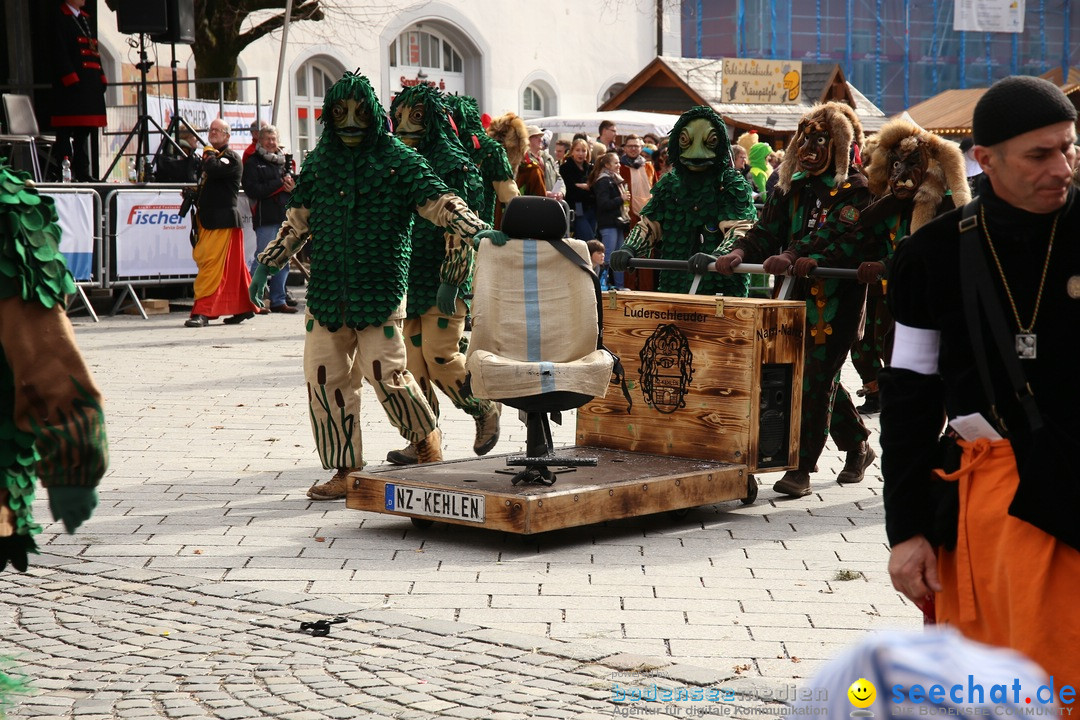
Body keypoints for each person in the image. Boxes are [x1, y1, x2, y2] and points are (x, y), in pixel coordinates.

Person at [881, 75, 1080, 685]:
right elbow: (909, 396)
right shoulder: (932, 255)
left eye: (1070, 147)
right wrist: (906, 530)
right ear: (985, 159)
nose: (1063, 167)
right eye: (1040, 154)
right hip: (992, 506)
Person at [249, 71, 500, 501]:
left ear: (372, 116)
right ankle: (345, 467)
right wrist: (267, 265)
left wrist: (474, 228)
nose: (350, 122)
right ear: (329, 116)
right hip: (327, 295)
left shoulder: (399, 160)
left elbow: (440, 201)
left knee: (387, 373)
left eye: (359, 113)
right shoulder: (321, 163)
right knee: (325, 379)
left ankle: (425, 439)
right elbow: (297, 222)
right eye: (341, 113)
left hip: (380, 291)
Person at [715, 102, 878, 498]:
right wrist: (740, 252)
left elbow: (845, 240)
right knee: (805, 375)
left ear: (839, 144)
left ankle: (802, 468)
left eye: (821, 140)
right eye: (805, 138)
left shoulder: (858, 190)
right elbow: (766, 232)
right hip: (791, 295)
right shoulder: (791, 186)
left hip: (838, 301)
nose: (809, 147)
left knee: (817, 379)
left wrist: (799, 255)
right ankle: (858, 444)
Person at [384, 84, 502, 467]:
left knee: (439, 354)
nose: (404, 127)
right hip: (409, 278)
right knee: (412, 367)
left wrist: (453, 278)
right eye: (399, 117)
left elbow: (462, 224)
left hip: (444, 278)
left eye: (414, 117)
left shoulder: (455, 164)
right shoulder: (398, 161)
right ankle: (423, 440)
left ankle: (483, 408)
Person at [0, 161, 108, 573]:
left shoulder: (7, 203)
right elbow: (41, 345)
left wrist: (72, 460)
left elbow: (41, 345)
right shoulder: (7, 200)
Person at [848, 118, 970, 415]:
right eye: (896, 165)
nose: (900, 175)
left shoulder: (944, 209)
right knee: (863, 348)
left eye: (911, 164)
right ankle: (879, 394)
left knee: (904, 360)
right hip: (877, 293)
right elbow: (858, 236)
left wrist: (887, 264)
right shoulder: (881, 205)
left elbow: (933, 253)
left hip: (921, 300)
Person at [610, 106, 757, 297]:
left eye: (711, 141)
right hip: (674, 285)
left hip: (720, 290)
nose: (696, 153)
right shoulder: (670, 184)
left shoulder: (731, 184)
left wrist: (718, 257)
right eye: (685, 141)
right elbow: (649, 225)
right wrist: (630, 247)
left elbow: (740, 229)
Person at [185, 119, 261, 328]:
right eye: (211, 130)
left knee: (210, 266)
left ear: (228, 136)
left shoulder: (231, 158)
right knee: (233, 269)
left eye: (218, 130)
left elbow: (214, 168)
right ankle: (244, 307)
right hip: (211, 221)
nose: (213, 133)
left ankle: (203, 312)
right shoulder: (211, 157)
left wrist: (207, 152)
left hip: (222, 222)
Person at [241, 125, 297, 314]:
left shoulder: (284, 161)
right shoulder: (253, 162)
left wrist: (292, 188)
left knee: (284, 259)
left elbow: (293, 189)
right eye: (267, 139)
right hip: (266, 218)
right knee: (262, 259)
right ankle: (251, 300)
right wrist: (280, 184)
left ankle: (278, 300)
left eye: (274, 139)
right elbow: (253, 190)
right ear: (260, 141)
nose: (271, 143)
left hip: (285, 217)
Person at [51, 0, 106, 182]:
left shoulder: (85, 19)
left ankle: (83, 172)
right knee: (65, 131)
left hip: (88, 82)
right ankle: (64, 170)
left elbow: (93, 50)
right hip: (71, 85)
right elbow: (59, 51)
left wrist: (101, 75)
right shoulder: (60, 17)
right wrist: (70, 78)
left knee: (84, 132)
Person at [444, 95, 519, 226]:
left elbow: (510, 197)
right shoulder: (492, 149)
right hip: (475, 233)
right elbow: (510, 197)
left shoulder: (440, 147)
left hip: (465, 230)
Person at [590, 151, 630, 290]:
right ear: (607, 165)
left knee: (619, 257)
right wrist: (621, 199)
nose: (619, 165)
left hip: (616, 223)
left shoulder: (614, 179)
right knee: (606, 258)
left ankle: (620, 286)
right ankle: (601, 285)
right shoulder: (603, 181)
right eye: (616, 163)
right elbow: (603, 204)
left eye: (619, 162)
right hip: (608, 224)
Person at [560, 138, 595, 239]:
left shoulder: (590, 168)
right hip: (576, 209)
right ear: (572, 152)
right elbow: (570, 188)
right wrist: (586, 187)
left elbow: (595, 187)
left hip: (591, 208)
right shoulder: (565, 168)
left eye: (583, 151)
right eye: (577, 150)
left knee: (591, 235)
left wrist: (583, 186)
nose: (581, 154)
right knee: (587, 238)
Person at [516, 125, 548, 197]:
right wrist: (545, 193)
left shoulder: (547, 158)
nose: (540, 140)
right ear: (527, 140)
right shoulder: (523, 161)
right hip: (535, 201)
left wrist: (560, 192)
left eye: (540, 137)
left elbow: (559, 178)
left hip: (552, 201)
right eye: (536, 137)